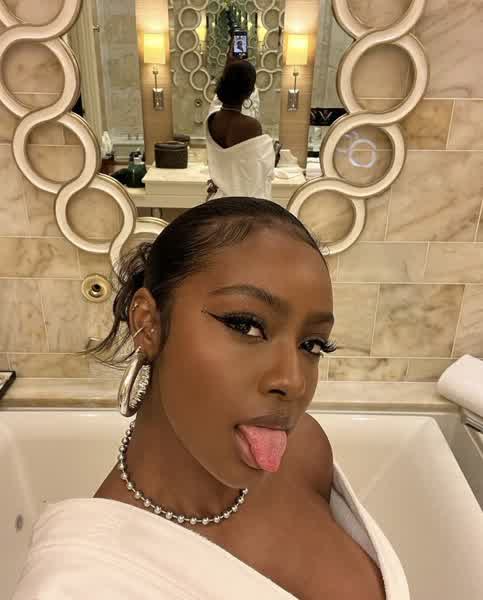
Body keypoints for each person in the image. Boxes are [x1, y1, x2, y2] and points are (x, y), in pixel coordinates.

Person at [12, 198, 409, 600]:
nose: (292, 381)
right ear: (147, 324)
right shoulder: (79, 584)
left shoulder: (304, 450)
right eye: (246, 326)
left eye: (312, 344)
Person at [205, 61, 275, 200]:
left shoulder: (212, 119)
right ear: (250, 92)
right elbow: (257, 174)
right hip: (243, 204)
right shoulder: (251, 125)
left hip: (217, 201)